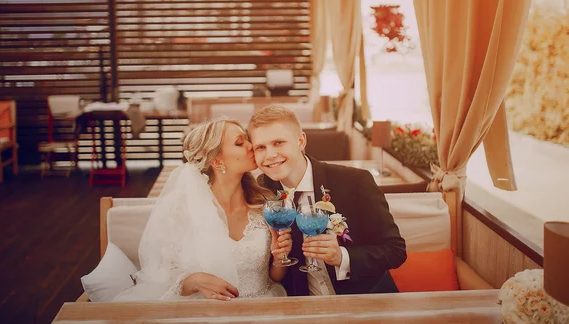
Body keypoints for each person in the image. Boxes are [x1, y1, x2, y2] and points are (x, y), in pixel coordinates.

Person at [114, 118, 290, 301]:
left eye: (247, 139)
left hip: (263, 306)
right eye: (239, 143)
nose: (251, 145)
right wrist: (195, 281)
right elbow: (161, 274)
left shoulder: (265, 205)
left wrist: (279, 257)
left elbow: (274, 277)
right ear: (217, 161)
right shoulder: (182, 210)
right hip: (207, 312)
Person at [248, 105, 407, 296]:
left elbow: (395, 251)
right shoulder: (260, 192)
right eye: (260, 147)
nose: (270, 155)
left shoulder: (355, 182)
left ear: (300, 141)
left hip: (365, 302)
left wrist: (343, 257)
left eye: (279, 143)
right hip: (300, 309)